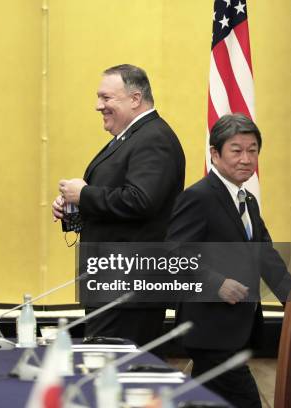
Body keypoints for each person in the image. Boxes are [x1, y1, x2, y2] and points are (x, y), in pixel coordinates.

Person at [166, 113, 291, 407]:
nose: (246, 159)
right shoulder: (199, 196)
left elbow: (265, 255)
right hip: (210, 329)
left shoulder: (247, 199)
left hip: (234, 331)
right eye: (236, 150)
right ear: (215, 154)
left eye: (253, 150)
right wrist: (217, 283)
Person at [51, 64, 186, 345]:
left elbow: (141, 200)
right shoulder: (129, 139)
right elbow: (118, 200)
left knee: (117, 372)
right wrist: (73, 208)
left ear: (135, 99)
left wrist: (85, 195)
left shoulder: (154, 139)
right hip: (113, 285)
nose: (98, 106)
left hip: (130, 288)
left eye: (106, 98)